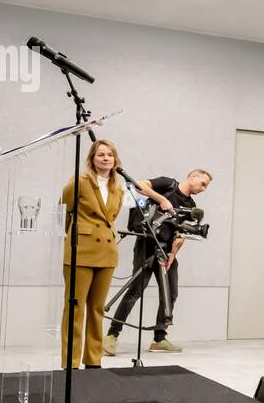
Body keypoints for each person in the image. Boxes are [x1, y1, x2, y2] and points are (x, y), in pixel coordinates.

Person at [103, 167, 211, 356]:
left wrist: (173, 254)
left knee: (170, 294)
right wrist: (162, 199)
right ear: (192, 176)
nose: (204, 189)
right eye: (203, 183)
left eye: (206, 186)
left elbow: (181, 234)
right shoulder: (168, 184)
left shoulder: (190, 205)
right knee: (135, 291)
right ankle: (112, 336)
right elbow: (139, 186)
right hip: (147, 245)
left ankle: (159, 339)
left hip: (167, 252)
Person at [62, 139, 124, 369]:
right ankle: (70, 361)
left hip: (107, 252)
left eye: (110, 154)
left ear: (115, 159)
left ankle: (93, 360)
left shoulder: (118, 187)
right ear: (92, 159)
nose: (106, 158)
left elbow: (113, 217)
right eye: (100, 155)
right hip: (81, 251)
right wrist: (73, 235)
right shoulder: (79, 182)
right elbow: (64, 209)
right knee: (75, 307)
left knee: (97, 309)